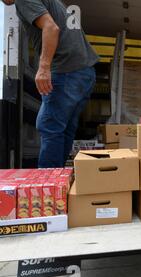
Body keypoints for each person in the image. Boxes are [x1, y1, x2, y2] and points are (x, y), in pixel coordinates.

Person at [2, 0, 98, 168]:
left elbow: (51, 28)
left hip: (66, 70)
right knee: (63, 128)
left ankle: (48, 187)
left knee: (49, 125)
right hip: (85, 72)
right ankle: (58, 182)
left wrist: (44, 67)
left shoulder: (24, 0)